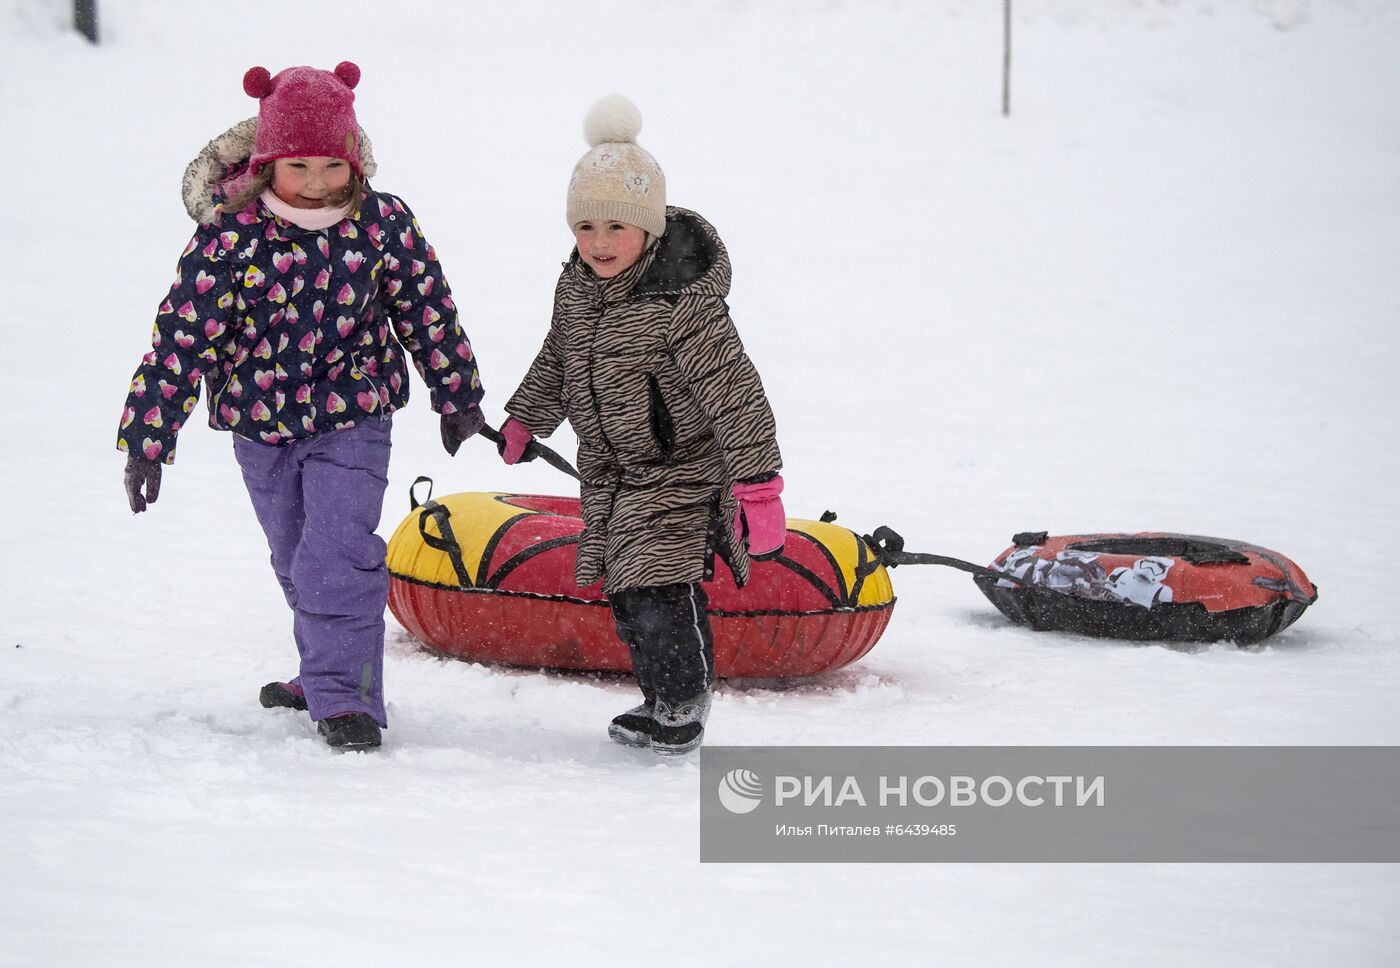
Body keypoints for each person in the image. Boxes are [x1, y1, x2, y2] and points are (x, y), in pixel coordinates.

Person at [117, 62, 485, 752]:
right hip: (261, 429)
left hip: (355, 414)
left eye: (330, 164)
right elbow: (181, 340)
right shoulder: (230, 239)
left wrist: (456, 393)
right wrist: (148, 437)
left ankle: (345, 698)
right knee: (294, 556)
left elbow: (427, 308)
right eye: (298, 166)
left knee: (335, 554)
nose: (317, 183)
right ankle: (325, 670)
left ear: (353, 158)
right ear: (267, 163)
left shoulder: (381, 223)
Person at [499, 95, 785, 756]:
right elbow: (557, 358)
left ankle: (683, 702)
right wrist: (524, 419)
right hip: (612, 471)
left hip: (680, 470)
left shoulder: (683, 305)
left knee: (657, 582)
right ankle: (660, 699)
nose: (599, 244)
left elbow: (735, 394)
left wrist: (758, 487)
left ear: (650, 229)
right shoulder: (576, 288)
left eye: (616, 228)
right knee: (627, 592)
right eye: (586, 227)